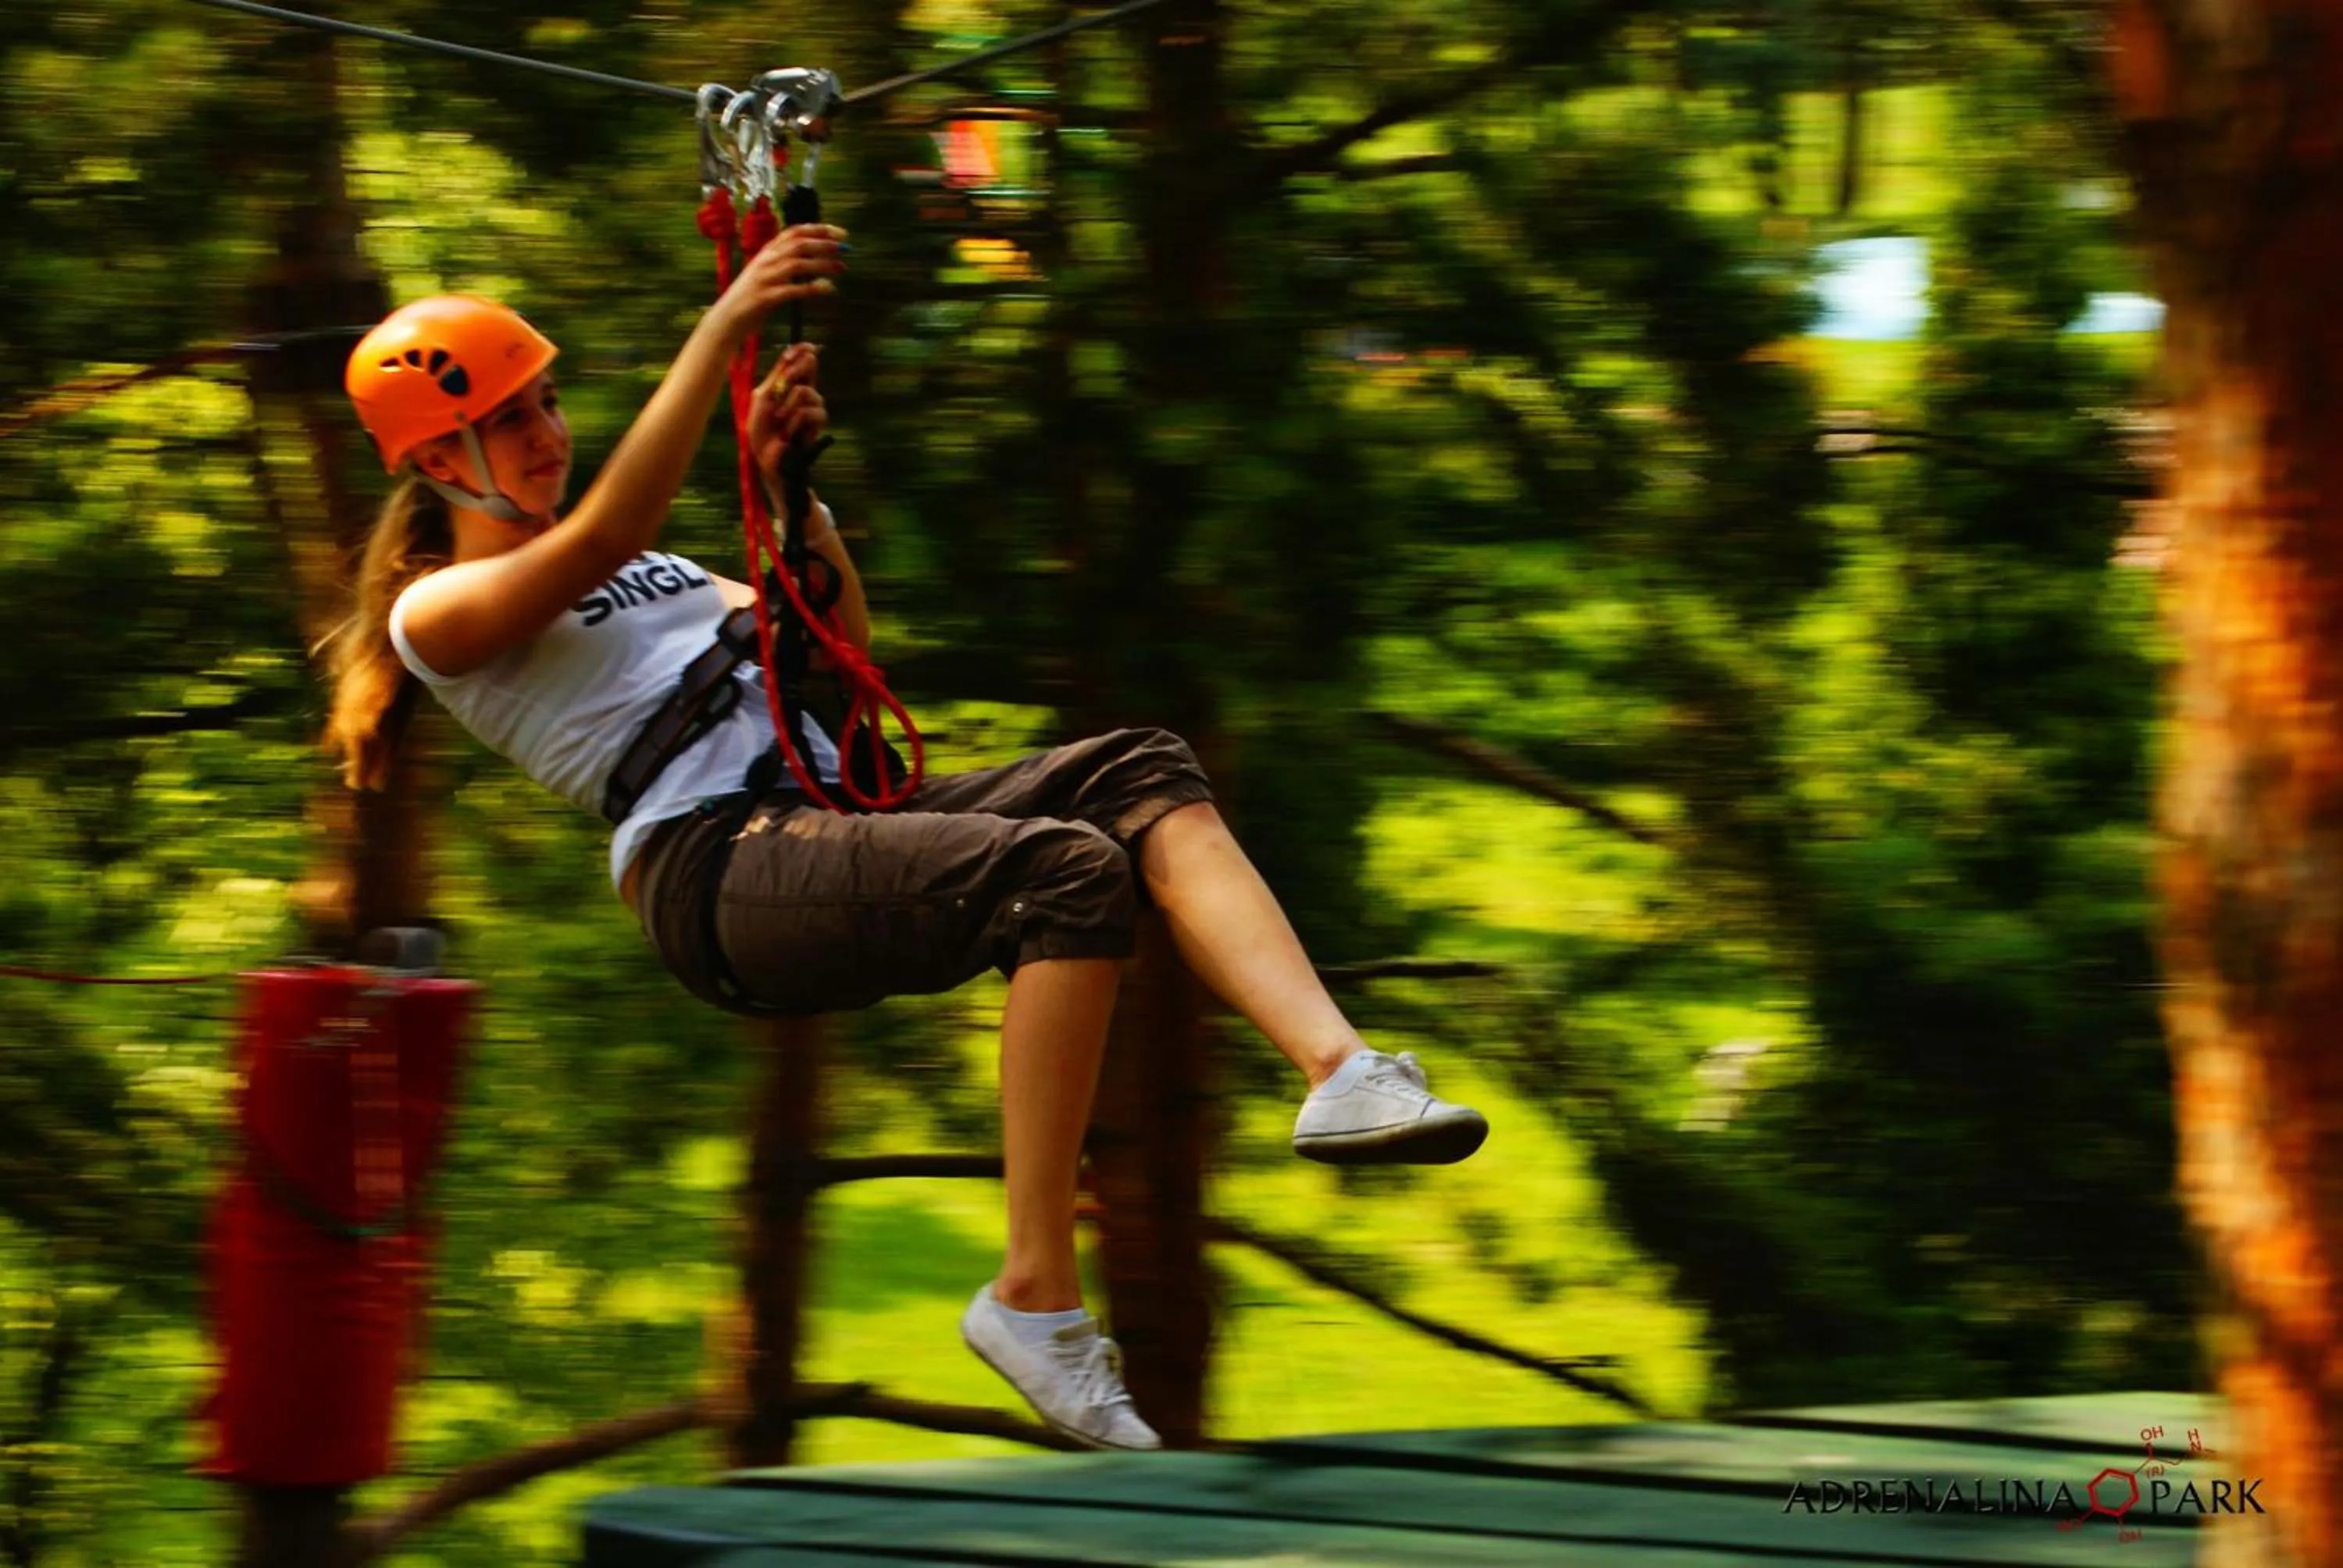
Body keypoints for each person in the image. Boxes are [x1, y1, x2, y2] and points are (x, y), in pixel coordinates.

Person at [324, 223, 1489, 1451]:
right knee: (1061, 875)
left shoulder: (658, 568)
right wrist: (723, 327)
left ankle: (1341, 1077)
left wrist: (789, 496)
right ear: (440, 460)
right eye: (514, 419)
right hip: (717, 870)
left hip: (819, 813)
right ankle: (1033, 1293)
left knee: (1138, 770)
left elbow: (835, 659)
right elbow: (601, 538)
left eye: (550, 402)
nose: (550, 433)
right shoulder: (436, 613)